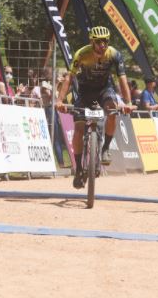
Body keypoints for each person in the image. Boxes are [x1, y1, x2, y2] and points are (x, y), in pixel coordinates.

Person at [55, 26, 133, 189]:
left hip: (105, 89)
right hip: (84, 91)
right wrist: (60, 100)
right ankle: (78, 169)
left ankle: (105, 148)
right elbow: (69, 77)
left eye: (105, 41)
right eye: (98, 42)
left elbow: (122, 79)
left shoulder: (114, 54)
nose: (102, 45)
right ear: (92, 42)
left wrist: (128, 102)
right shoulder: (82, 54)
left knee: (112, 108)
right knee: (79, 128)